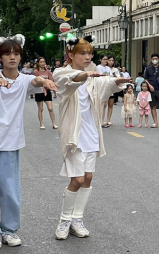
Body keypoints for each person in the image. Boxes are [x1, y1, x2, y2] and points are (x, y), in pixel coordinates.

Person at [0, 35, 58, 249]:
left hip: (9, 143)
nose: (12, 57)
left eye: (16, 54)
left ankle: (9, 230)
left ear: (20, 56)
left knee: (9, 189)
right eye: (7, 54)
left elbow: (35, 81)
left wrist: (44, 80)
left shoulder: (26, 80)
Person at [53, 35, 130, 241]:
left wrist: (118, 81)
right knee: (76, 179)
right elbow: (68, 82)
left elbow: (107, 83)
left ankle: (77, 219)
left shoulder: (94, 75)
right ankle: (64, 220)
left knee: (87, 178)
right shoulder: (61, 72)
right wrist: (83, 76)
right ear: (71, 55)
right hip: (74, 134)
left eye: (90, 53)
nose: (88, 57)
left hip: (91, 133)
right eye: (83, 53)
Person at [33, 57, 58, 130]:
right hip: (39, 91)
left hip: (47, 91)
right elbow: (35, 81)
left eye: (43, 62)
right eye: (41, 62)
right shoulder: (36, 72)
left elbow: (51, 80)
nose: (42, 63)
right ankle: (41, 124)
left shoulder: (48, 72)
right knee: (40, 108)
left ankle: (54, 123)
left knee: (50, 108)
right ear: (38, 63)